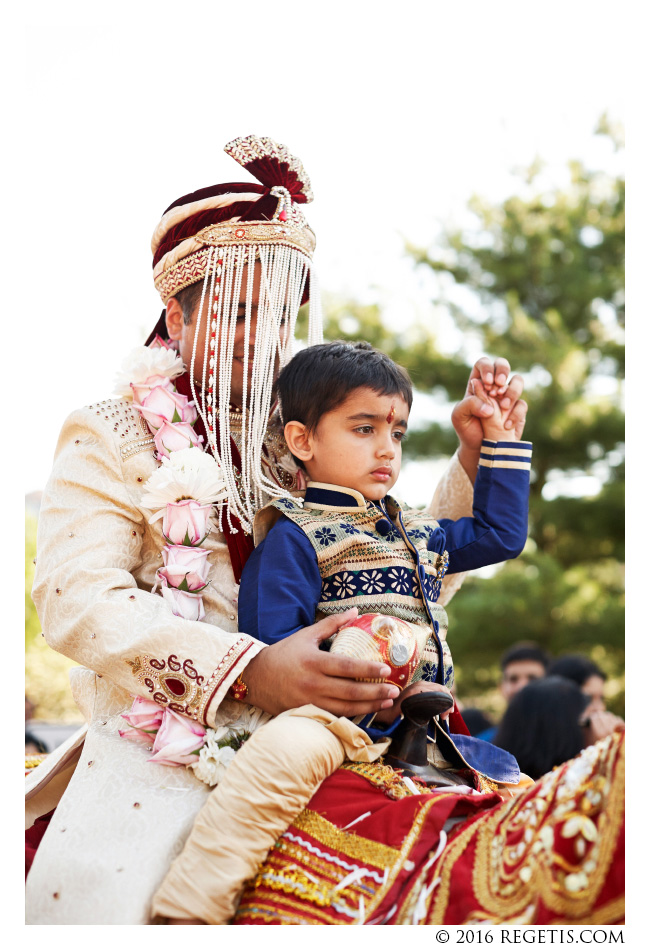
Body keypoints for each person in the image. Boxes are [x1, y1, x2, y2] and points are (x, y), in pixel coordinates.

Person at [25, 135, 518, 924]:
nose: (265, 336)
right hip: (169, 743)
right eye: (240, 311)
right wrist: (252, 673)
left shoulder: (296, 432)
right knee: (116, 895)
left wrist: (475, 452)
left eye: (279, 315)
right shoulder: (112, 429)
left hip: (351, 720)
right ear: (178, 317)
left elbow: (399, 562)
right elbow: (79, 600)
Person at [151, 340, 532, 924]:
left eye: (398, 433)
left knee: (526, 793)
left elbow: (501, 536)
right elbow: (274, 647)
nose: (387, 448)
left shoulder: (420, 532)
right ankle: (187, 912)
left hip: (431, 722)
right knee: (282, 756)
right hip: (335, 722)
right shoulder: (295, 535)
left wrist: (496, 440)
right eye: (364, 429)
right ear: (303, 441)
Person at [494, 675, 624, 780]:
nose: (590, 731)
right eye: (587, 722)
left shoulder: (492, 788)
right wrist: (611, 756)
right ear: (558, 733)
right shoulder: (551, 795)